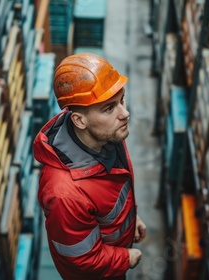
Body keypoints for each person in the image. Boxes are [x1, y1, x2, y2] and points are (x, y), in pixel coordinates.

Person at [33, 53, 146, 279]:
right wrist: (126, 258)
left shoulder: (107, 135)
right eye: (109, 108)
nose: (125, 114)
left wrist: (131, 218)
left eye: (121, 100)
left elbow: (114, 191)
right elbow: (82, 259)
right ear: (79, 121)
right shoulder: (65, 195)